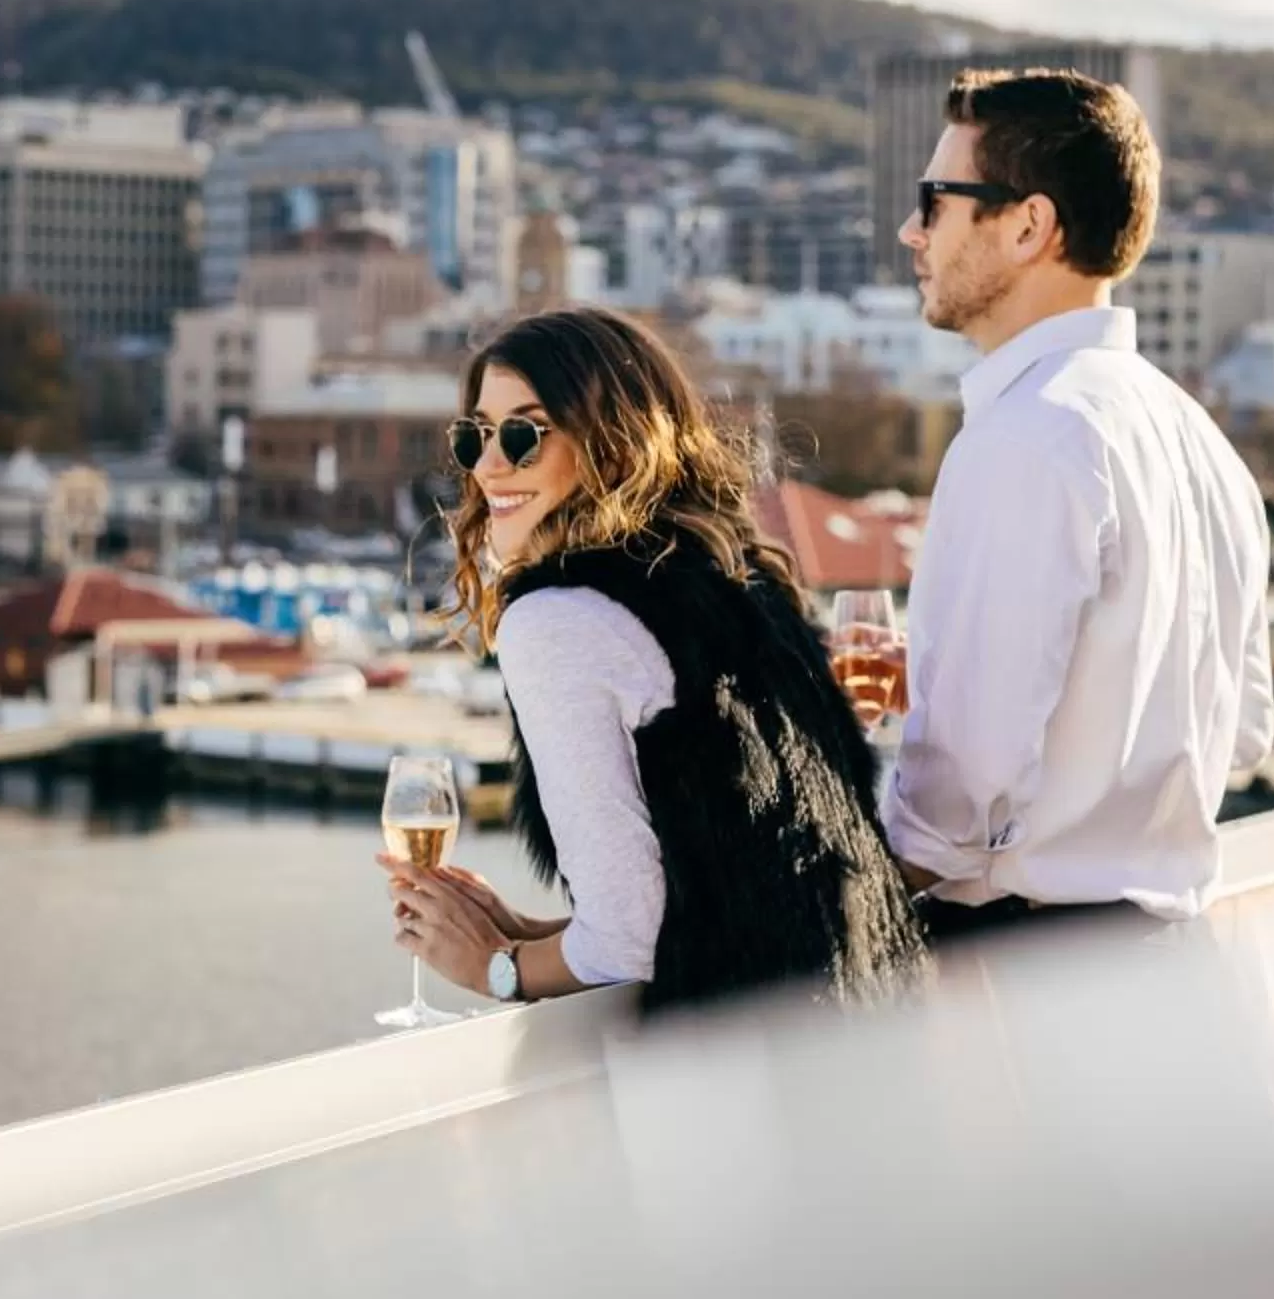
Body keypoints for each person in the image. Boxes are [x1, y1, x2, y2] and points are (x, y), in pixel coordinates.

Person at [382, 308, 925, 1012]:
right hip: (873, 1029)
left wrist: (494, 966)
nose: (487, 466)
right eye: (474, 435)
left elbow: (627, 943)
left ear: (609, 445)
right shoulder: (743, 579)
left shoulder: (557, 620)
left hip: (745, 1067)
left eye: (522, 434)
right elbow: (745, 886)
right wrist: (535, 931)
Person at [887, 68, 1274, 940]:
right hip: (1164, 957)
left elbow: (959, 784)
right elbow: (1245, 735)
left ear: (1029, 225)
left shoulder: (1028, 437)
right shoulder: (1199, 439)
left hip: (1020, 969)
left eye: (935, 200)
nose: (911, 230)